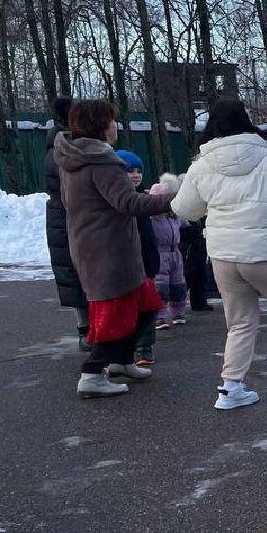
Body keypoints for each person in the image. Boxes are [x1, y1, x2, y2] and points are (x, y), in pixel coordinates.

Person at [171, 98, 267, 409]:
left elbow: (183, 208)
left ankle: (231, 387)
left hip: (224, 256)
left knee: (239, 322)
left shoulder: (201, 167)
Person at [53, 100, 177, 399]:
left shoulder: (73, 157)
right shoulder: (101, 161)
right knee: (116, 316)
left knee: (146, 305)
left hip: (95, 246)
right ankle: (92, 374)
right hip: (110, 252)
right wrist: (176, 198)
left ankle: (121, 362)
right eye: (111, 121)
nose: (115, 126)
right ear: (99, 125)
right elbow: (129, 203)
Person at [44, 96, 89, 350]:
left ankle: (87, 330)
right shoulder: (67, 147)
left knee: (75, 272)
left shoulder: (58, 143)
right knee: (77, 273)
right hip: (69, 216)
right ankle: (87, 331)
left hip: (63, 215)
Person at [114, 150, 160, 367]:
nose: (135, 175)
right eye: (129, 171)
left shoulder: (145, 198)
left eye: (138, 171)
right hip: (127, 263)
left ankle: (145, 347)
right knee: (128, 308)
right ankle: (124, 350)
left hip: (147, 261)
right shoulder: (118, 201)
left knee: (147, 307)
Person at [149, 186, 188, 328]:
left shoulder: (173, 216)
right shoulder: (152, 219)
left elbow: (187, 219)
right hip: (161, 253)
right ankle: (159, 316)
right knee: (161, 285)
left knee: (178, 284)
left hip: (175, 253)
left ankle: (178, 312)